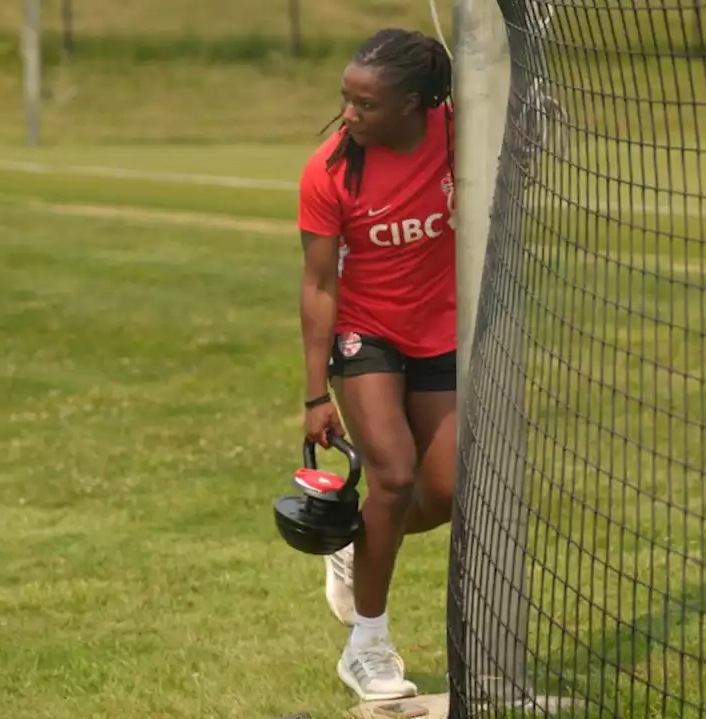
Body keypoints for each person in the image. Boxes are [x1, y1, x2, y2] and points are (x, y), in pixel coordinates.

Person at [297, 27, 456, 703]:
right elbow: (318, 286)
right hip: (367, 334)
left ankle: (353, 543)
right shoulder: (329, 169)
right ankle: (368, 644)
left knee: (446, 490)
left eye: (366, 105)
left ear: (416, 104)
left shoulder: (457, 129)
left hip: (442, 328)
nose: (350, 115)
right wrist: (314, 395)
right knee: (390, 473)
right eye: (347, 99)